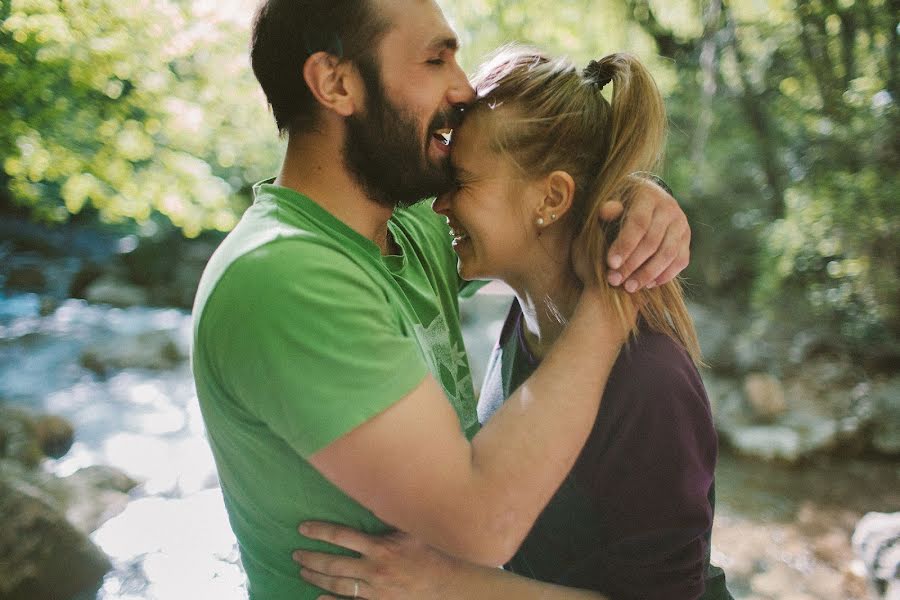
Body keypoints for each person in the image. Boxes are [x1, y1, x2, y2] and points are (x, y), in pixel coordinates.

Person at [190, 1, 692, 598]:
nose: (462, 89)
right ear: (335, 82)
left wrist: (631, 196)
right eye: (435, 60)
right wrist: (616, 296)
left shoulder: (404, 233)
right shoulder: (284, 275)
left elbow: (524, 219)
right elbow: (482, 525)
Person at [291, 47, 731, 599]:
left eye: (462, 182)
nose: (438, 206)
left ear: (551, 198)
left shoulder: (650, 381)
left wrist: (445, 584)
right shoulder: (526, 319)